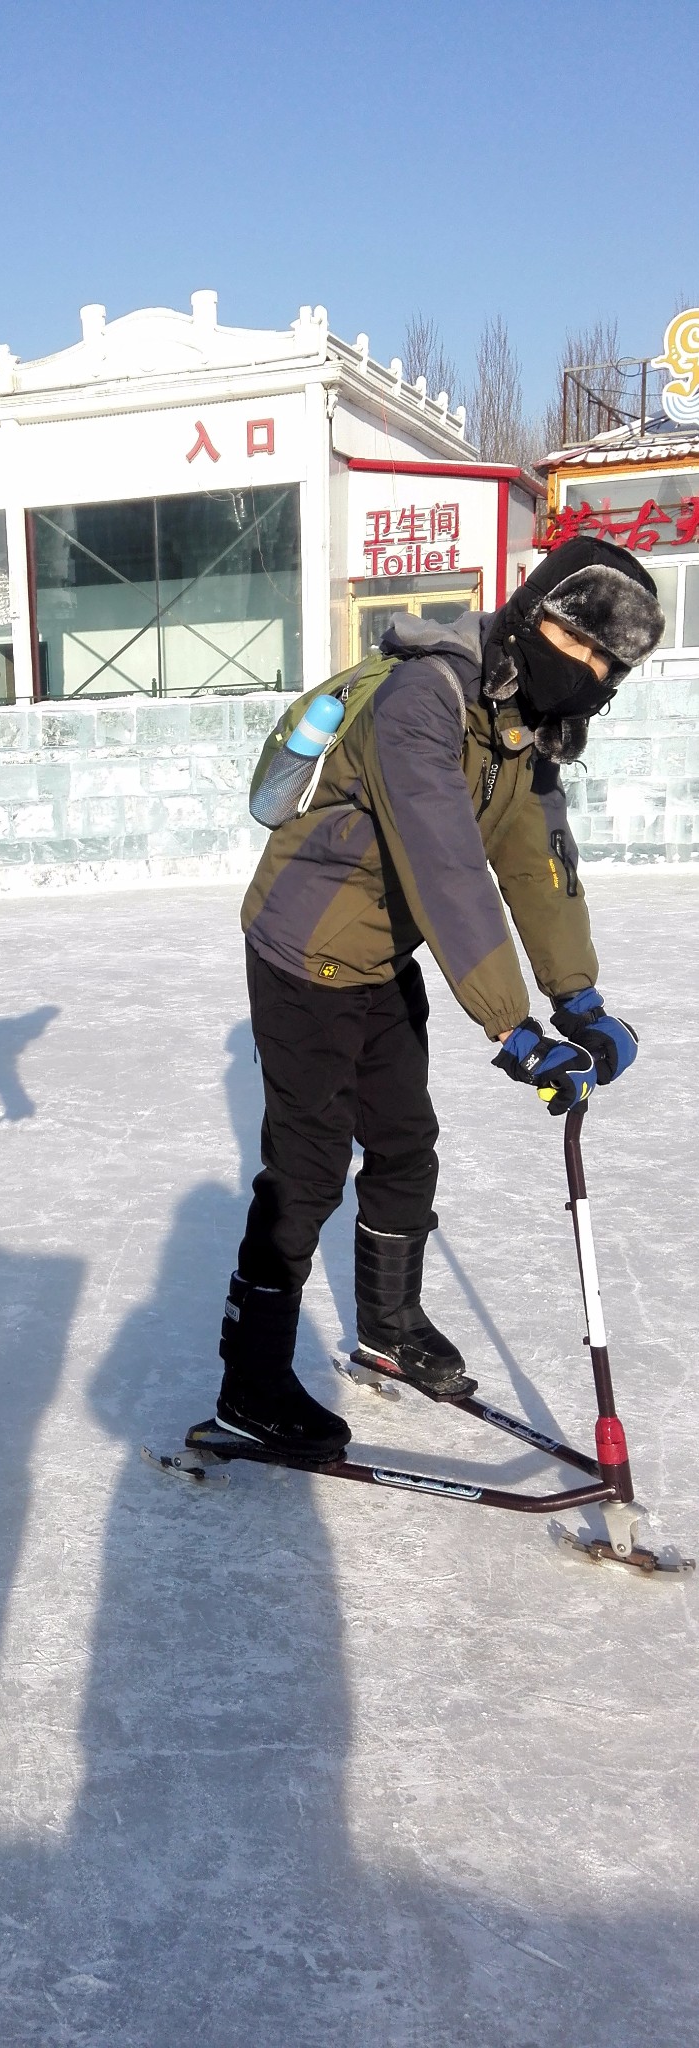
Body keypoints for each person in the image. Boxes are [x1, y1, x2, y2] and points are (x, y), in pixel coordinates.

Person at [212, 537, 665, 1457]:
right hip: (305, 950)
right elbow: (447, 868)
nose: (585, 673)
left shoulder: (525, 728)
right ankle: (249, 1382)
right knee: (305, 1174)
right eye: (575, 645)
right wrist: (511, 1024)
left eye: (605, 667)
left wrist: (577, 998)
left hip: (379, 956)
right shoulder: (424, 700)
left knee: (406, 1145)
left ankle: (387, 1325)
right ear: (528, 617)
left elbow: (537, 867)